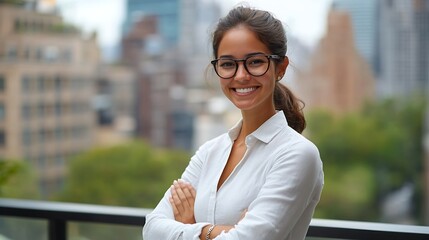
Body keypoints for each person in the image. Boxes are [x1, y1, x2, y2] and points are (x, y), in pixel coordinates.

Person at [143, 5, 324, 240]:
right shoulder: (209, 152)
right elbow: (151, 229)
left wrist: (195, 224)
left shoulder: (297, 154)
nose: (241, 76)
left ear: (280, 67)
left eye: (255, 62)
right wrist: (222, 231)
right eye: (228, 64)